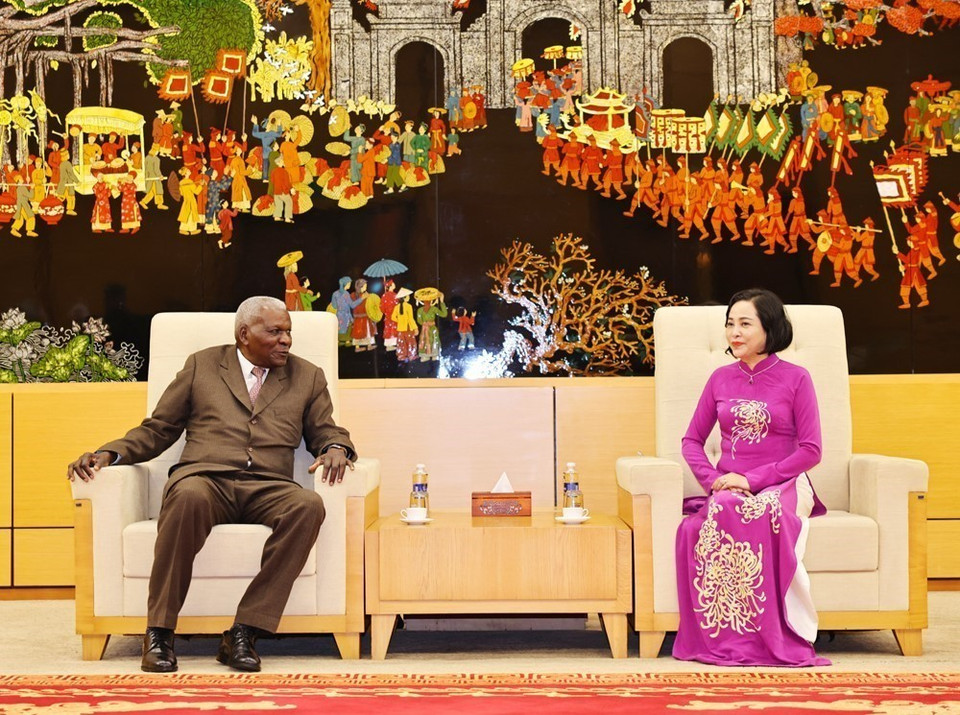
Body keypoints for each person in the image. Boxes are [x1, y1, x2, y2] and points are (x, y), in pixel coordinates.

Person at [66, 297, 356, 673]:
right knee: (186, 497)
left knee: (308, 505)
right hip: (205, 478)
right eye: (275, 332)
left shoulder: (308, 375)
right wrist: (110, 454)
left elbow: (326, 430)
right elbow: (159, 428)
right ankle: (159, 632)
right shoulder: (203, 365)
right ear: (244, 334)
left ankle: (244, 631)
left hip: (268, 485)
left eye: (288, 333)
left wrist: (335, 447)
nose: (286, 340)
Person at [673, 288, 830, 667]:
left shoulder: (797, 378)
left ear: (770, 328)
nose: (734, 333)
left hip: (786, 483)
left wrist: (754, 479)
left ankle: (771, 638)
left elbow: (811, 450)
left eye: (745, 323)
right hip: (729, 485)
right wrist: (712, 480)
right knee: (722, 507)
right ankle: (728, 636)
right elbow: (692, 440)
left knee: (764, 509)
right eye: (730, 324)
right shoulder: (719, 379)